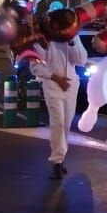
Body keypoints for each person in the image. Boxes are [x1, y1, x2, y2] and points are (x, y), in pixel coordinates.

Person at [29, 14, 86, 179]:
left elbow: (81, 60)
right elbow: (35, 67)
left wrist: (72, 41)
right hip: (53, 86)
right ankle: (56, 161)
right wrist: (55, 77)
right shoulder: (43, 39)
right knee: (58, 122)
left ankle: (61, 159)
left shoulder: (73, 37)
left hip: (71, 86)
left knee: (66, 124)